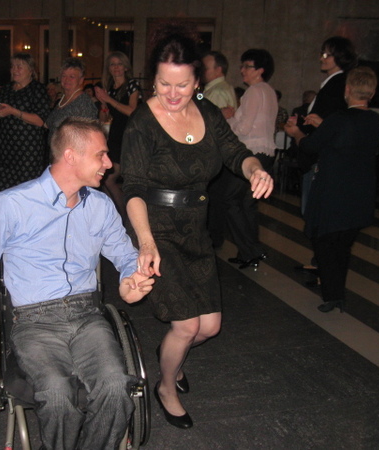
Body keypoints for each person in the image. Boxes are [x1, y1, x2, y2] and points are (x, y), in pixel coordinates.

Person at [0, 117, 154, 449]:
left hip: (87, 316)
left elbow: (124, 255)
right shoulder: (12, 204)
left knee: (116, 387)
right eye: (101, 155)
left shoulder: (101, 206)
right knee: (57, 393)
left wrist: (130, 279)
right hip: (34, 321)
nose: (109, 164)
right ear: (70, 156)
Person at [121, 30, 273, 429]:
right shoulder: (142, 123)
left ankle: (170, 353)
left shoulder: (207, 111)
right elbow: (132, 188)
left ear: (197, 81)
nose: (173, 94)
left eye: (183, 85)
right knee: (187, 325)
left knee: (209, 327)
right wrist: (146, 242)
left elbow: (235, 152)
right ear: (153, 79)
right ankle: (165, 386)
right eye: (164, 84)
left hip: (195, 229)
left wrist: (255, 169)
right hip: (157, 229)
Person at [284, 67, 379, 313]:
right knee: (343, 246)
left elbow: (310, 146)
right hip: (360, 193)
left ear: (347, 90)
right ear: (371, 93)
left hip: (333, 192)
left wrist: (296, 133)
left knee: (325, 243)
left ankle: (333, 295)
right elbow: (347, 139)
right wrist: (324, 125)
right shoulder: (374, 120)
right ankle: (336, 294)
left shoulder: (339, 119)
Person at [291, 36, 357, 275]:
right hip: (318, 153)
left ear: (340, 56)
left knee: (316, 214)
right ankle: (320, 261)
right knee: (313, 213)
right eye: (322, 53)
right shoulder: (333, 82)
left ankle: (324, 265)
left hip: (320, 157)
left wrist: (304, 130)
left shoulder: (338, 83)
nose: (322, 58)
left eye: (327, 54)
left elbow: (332, 122)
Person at [222, 49, 278, 269]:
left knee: (231, 201)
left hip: (252, 154)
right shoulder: (269, 91)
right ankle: (251, 251)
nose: (242, 70)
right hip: (265, 153)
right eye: (242, 65)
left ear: (260, 70)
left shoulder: (254, 91)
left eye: (247, 66)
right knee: (247, 204)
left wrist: (229, 118)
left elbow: (243, 128)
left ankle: (250, 250)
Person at [0, 53, 49, 194]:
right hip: (6, 149)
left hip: (28, 150)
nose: (14, 70)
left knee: (25, 192)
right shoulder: (6, 89)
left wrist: (13, 111)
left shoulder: (37, 89)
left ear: (31, 70)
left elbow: (41, 121)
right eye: (13, 66)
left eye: (19, 67)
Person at [94, 51, 142, 218]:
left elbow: (132, 111)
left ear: (126, 67)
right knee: (104, 180)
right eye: (112, 64)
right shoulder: (110, 89)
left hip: (129, 136)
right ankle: (116, 217)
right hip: (114, 136)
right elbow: (104, 118)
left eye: (119, 64)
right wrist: (103, 104)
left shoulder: (132, 85)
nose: (116, 67)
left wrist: (109, 100)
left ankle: (124, 217)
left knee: (109, 179)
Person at [202, 51, 237, 248]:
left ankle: (213, 240)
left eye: (206, 68)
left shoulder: (217, 91)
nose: (203, 71)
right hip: (218, 152)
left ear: (219, 70)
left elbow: (208, 126)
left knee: (213, 199)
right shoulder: (221, 88)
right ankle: (215, 238)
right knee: (216, 199)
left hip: (213, 152)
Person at [45, 58, 98, 139]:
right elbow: (48, 124)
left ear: (81, 80)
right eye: (64, 76)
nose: (67, 79)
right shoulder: (62, 99)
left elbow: (88, 136)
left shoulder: (84, 103)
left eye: (72, 77)